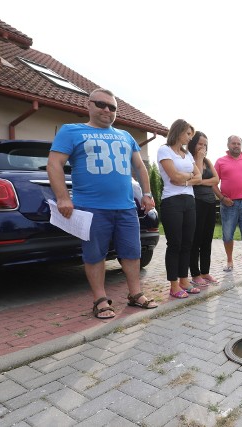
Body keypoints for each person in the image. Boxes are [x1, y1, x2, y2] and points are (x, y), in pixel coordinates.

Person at [47, 88, 158, 319]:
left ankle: (135, 294)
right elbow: (55, 164)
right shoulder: (71, 131)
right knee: (94, 254)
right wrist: (62, 197)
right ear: (88, 105)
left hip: (126, 207)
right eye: (101, 104)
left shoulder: (126, 136)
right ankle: (100, 299)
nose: (107, 110)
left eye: (112, 107)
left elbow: (139, 167)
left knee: (132, 252)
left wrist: (146, 193)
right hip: (91, 207)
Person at [157, 119, 203, 299]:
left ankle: (184, 281)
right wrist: (188, 178)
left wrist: (185, 179)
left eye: (191, 134)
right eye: (188, 133)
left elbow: (199, 177)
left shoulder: (187, 155)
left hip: (189, 201)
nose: (190, 138)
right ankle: (174, 285)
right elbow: (173, 177)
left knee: (187, 243)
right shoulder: (164, 150)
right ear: (178, 132)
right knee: (175, 243)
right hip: (172, 201)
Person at [213, 135, 242, 275]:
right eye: (233, 143)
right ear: (228, 145)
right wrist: (222, 198)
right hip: (229, 204)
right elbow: (213, 183)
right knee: (227, 235)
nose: (236, 146)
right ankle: (229, 261)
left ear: (241, 145)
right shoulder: (220, 162)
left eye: (238, 143)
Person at [187, 131, 220, 286]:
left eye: (205, 144)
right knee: (196, 239)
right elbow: (197, 176)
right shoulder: (189, 159)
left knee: (207, 239)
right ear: (193, 143)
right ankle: (195, 274)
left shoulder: (208, 160)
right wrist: (199, 159)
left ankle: (205, 272)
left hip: (209, 202)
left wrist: (202, 182)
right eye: (200, 143)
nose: (203, 147)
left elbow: (216, 179)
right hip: (196, 202)